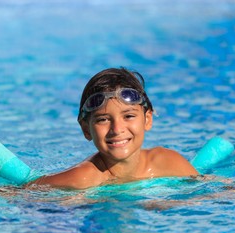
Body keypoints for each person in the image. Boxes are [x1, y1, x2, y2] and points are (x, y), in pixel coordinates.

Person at [24, 67, 198, 190]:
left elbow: (214, 190)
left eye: (128, 116)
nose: (117, 128)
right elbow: (20, 195)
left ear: (147, 119)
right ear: (86, 129)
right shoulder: (83, 179)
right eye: (103, 119)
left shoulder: (167, 162)